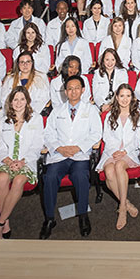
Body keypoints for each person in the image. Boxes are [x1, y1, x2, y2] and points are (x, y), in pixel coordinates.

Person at [41, 75, 102, 239]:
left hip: (80, 155)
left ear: (83, 90)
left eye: (77, 88)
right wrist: (59, 148)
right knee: (50, 177)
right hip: (59, 155)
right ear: (65, 92)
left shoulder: (91, 110)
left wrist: (77, 148)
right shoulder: (57, 111)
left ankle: (83, 215)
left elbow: (96, 133)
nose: (73, 91)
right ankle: (49, 218)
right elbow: (48, 134)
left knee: (80, 176)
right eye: (70, 89)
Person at [0, 87, 43, 239]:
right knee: (2, 178)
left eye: (22, 99)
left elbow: (37, 145)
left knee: (19, 180)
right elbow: (0, 147)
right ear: (10, 102)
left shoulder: (36, 119)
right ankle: (6, 221)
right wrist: (7, 160)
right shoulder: (2, 121)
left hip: (26, 161)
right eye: (15, 99)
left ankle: (0, 223)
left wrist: (22, 162)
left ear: (27, 101)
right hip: (7, 161)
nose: (19, 103)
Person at [97, 84, 140, 231]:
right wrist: (115, 151)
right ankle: (126, 202)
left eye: (128, 96)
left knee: (118, 166)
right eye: (122, 96)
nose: (125, 99)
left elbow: (138, 139)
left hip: (129, 152)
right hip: (112, 151)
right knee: (109, 171)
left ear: (132, 98)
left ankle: (122, 209)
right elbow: (106, 137)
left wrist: (124, 151)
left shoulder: (138, 114)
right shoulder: (110, 115)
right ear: (116, 97)